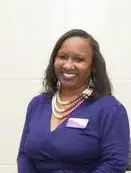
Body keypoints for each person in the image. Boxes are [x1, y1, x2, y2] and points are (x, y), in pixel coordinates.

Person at [17, 29, 130, 173]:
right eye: (62, 57)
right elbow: (24, 156)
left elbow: (115, 163)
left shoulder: (110, 109)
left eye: (79, 59)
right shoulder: (37, 104)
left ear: (92, 67)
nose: (68, 65)